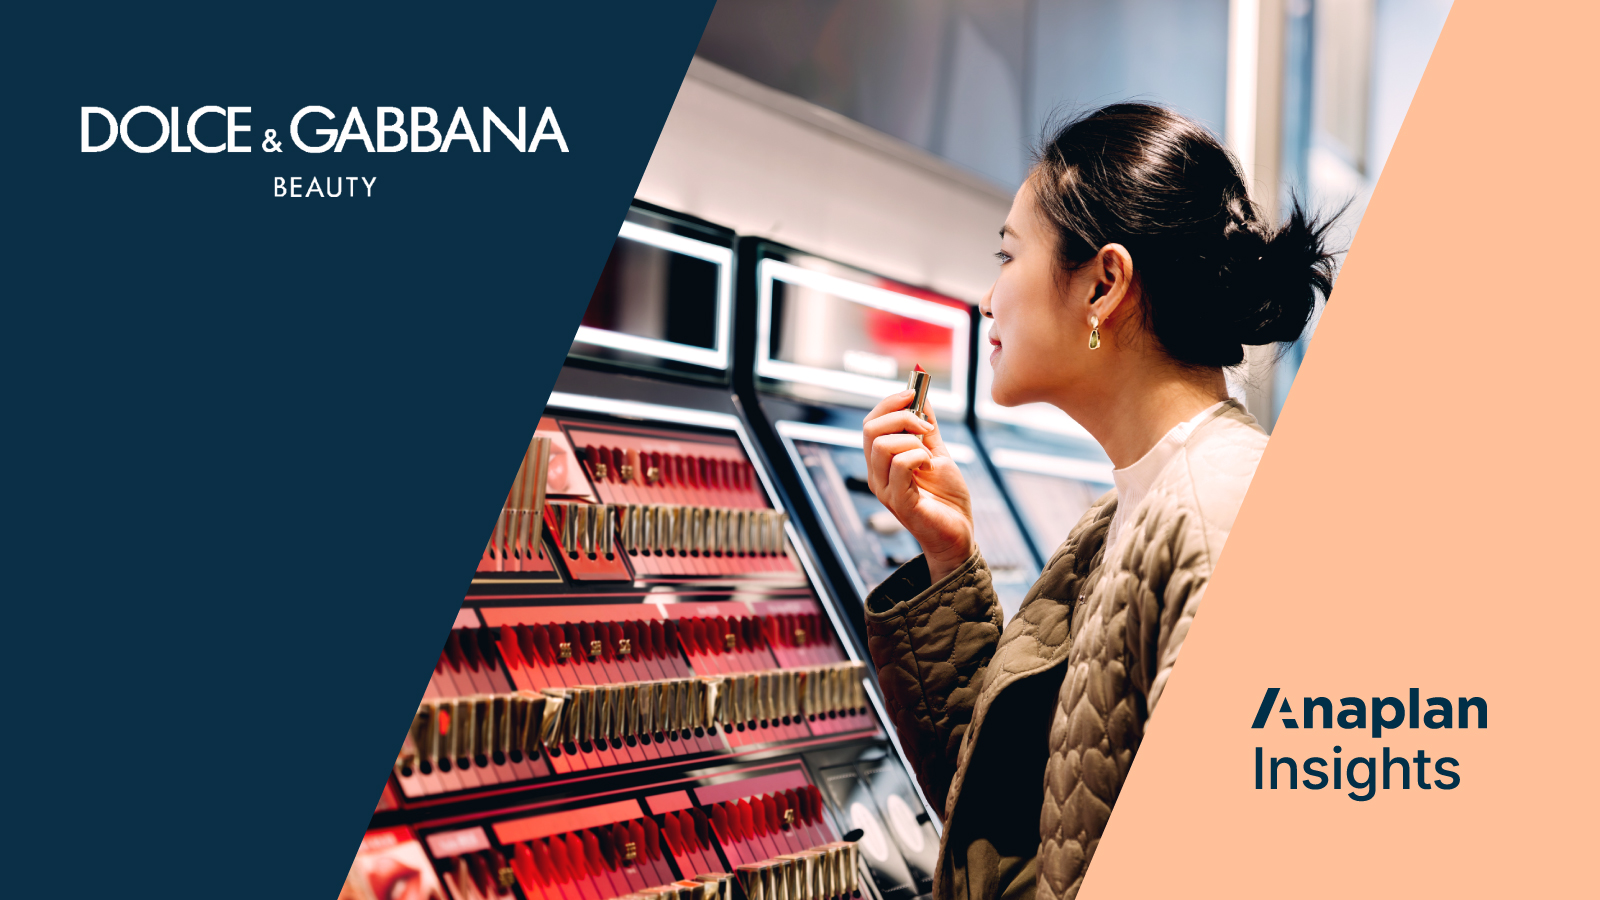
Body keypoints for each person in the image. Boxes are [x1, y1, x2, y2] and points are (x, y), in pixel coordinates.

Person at [859, 103, 1336, 900]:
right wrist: (948, 556)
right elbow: (1022, 820)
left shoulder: (1212, 517)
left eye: (1007, 256)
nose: (987, 299)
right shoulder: (1129, 514)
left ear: (1104, 285)